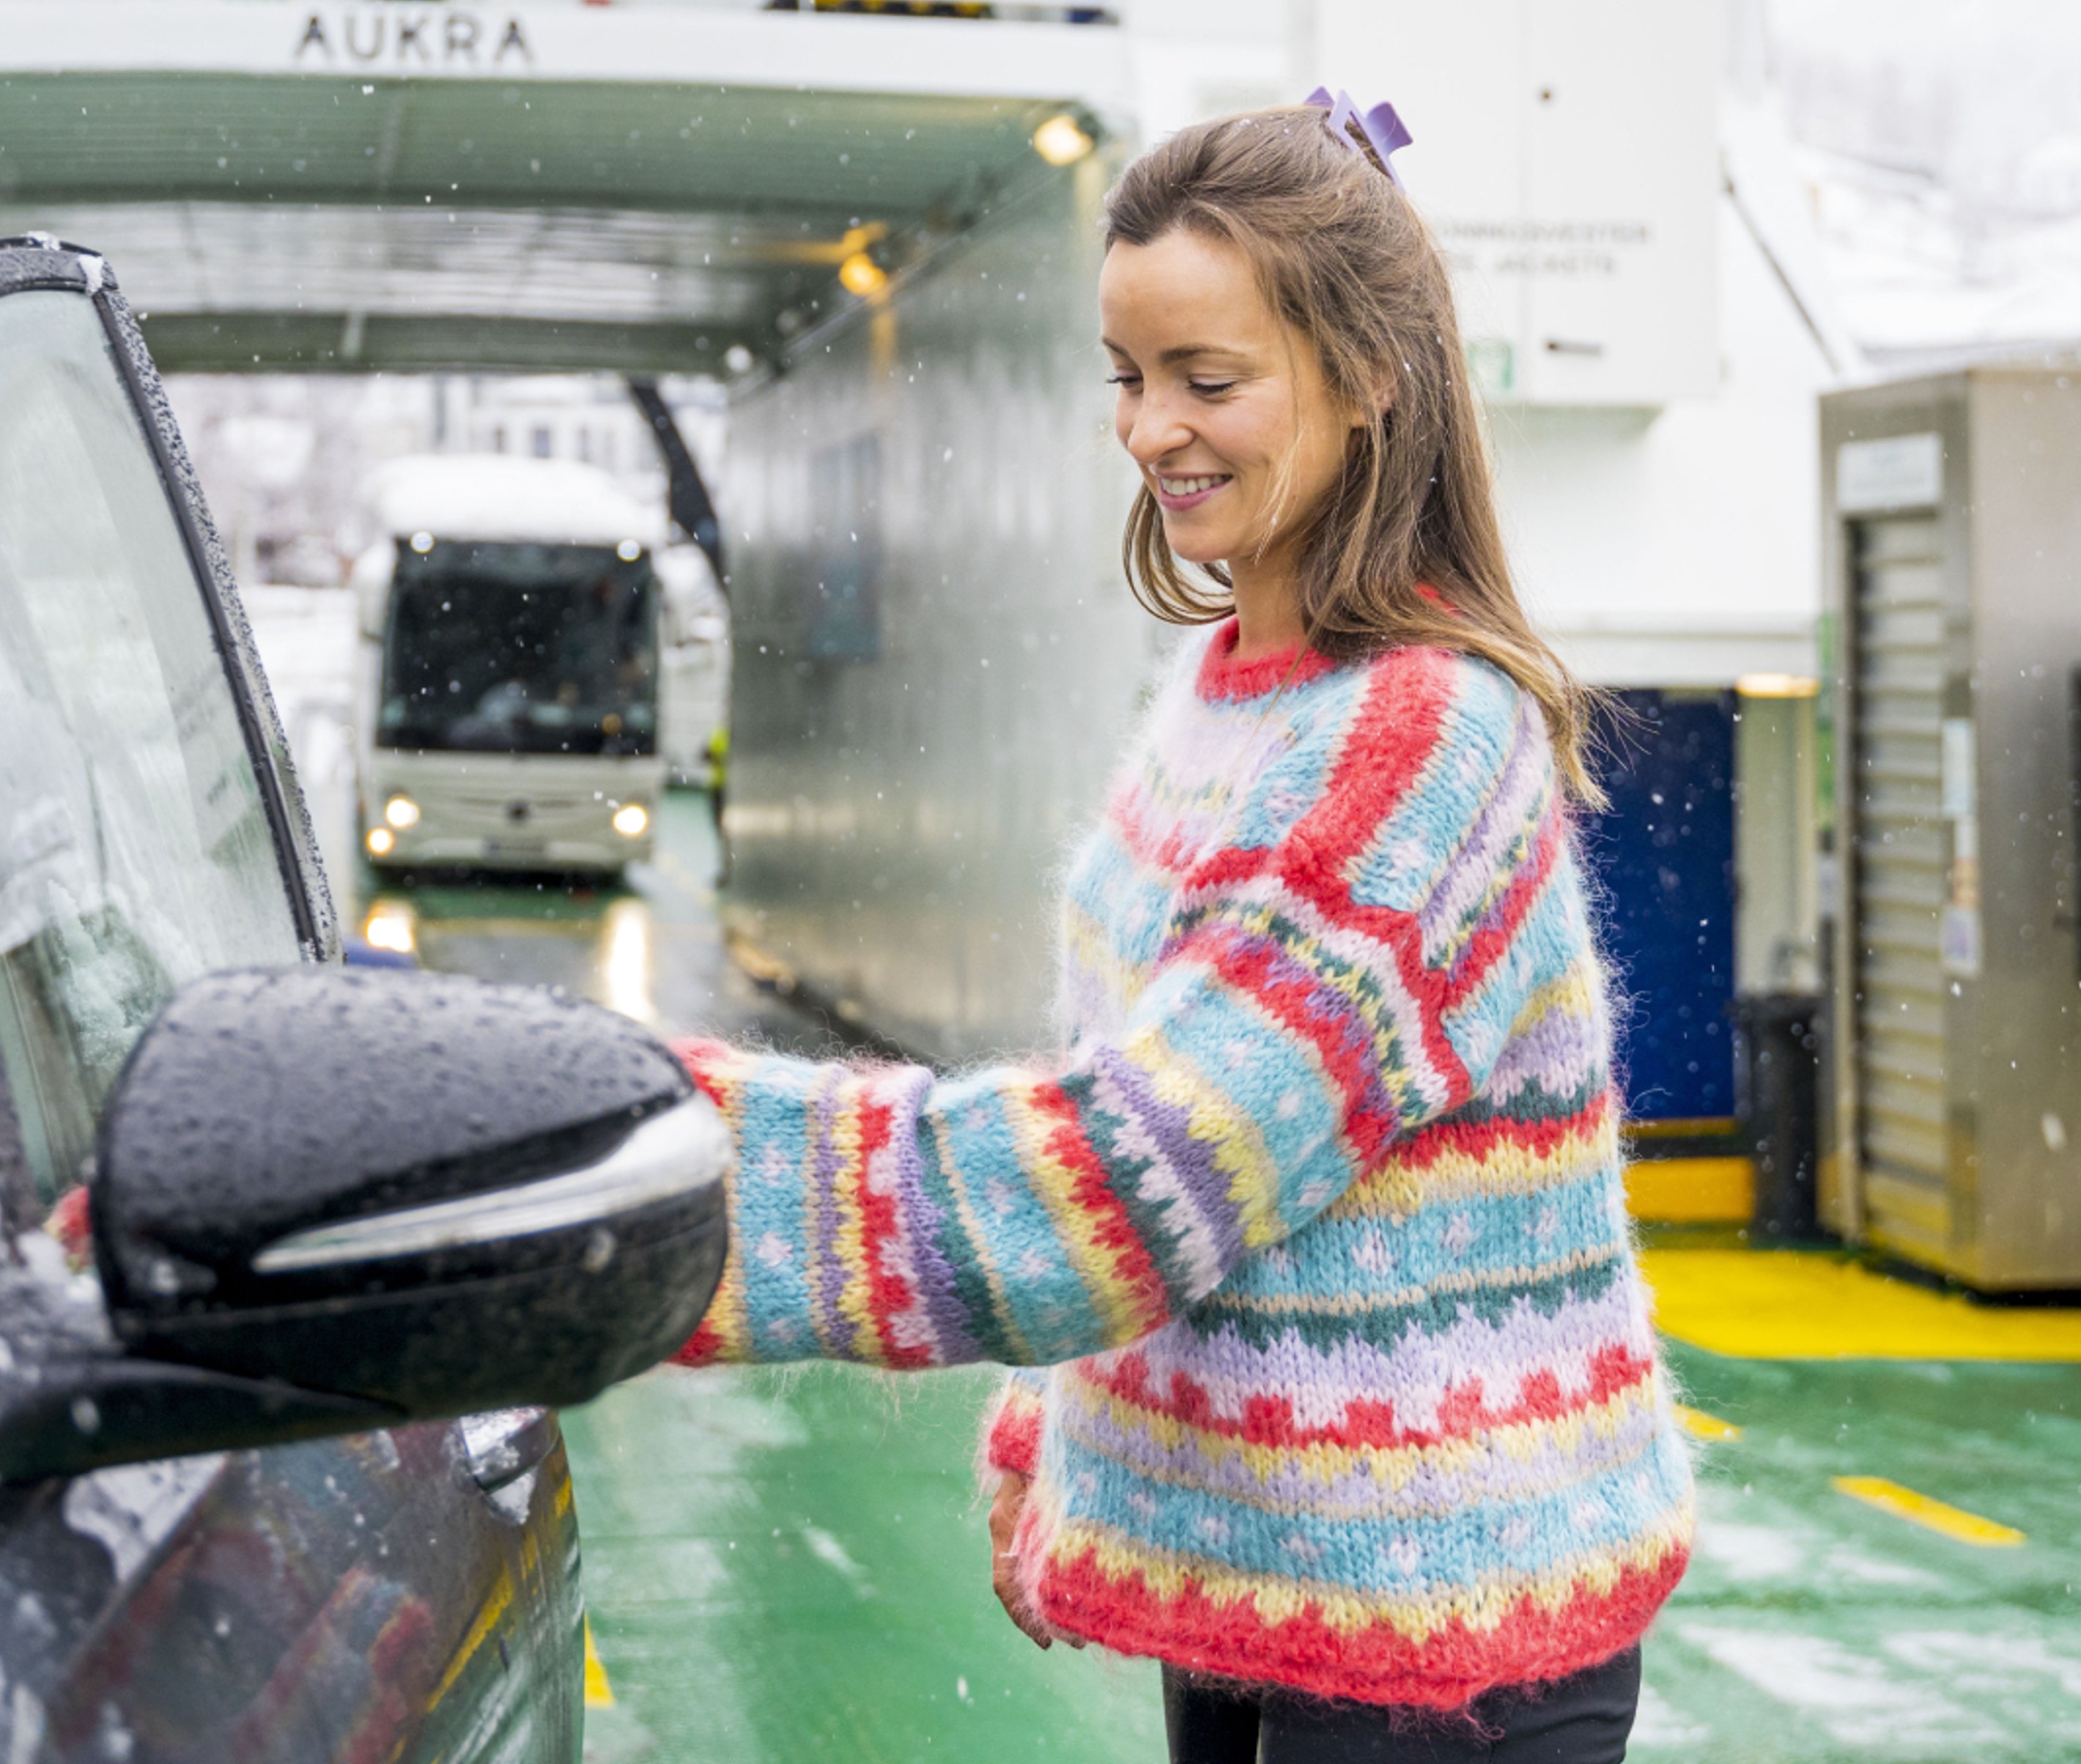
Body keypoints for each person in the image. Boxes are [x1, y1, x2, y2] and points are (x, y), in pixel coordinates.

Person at [667, 97, 1693, 1763]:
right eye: (1123, 376)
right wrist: (1041, 1439)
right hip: (1258, 1584)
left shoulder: (1416, 736)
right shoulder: (1214, 700)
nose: (1149, 429)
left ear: (1369, 380)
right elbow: (1139, 1085)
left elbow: (1142, 1165)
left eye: (1206, 381)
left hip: (1429, 1625)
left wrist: (658, 1164)